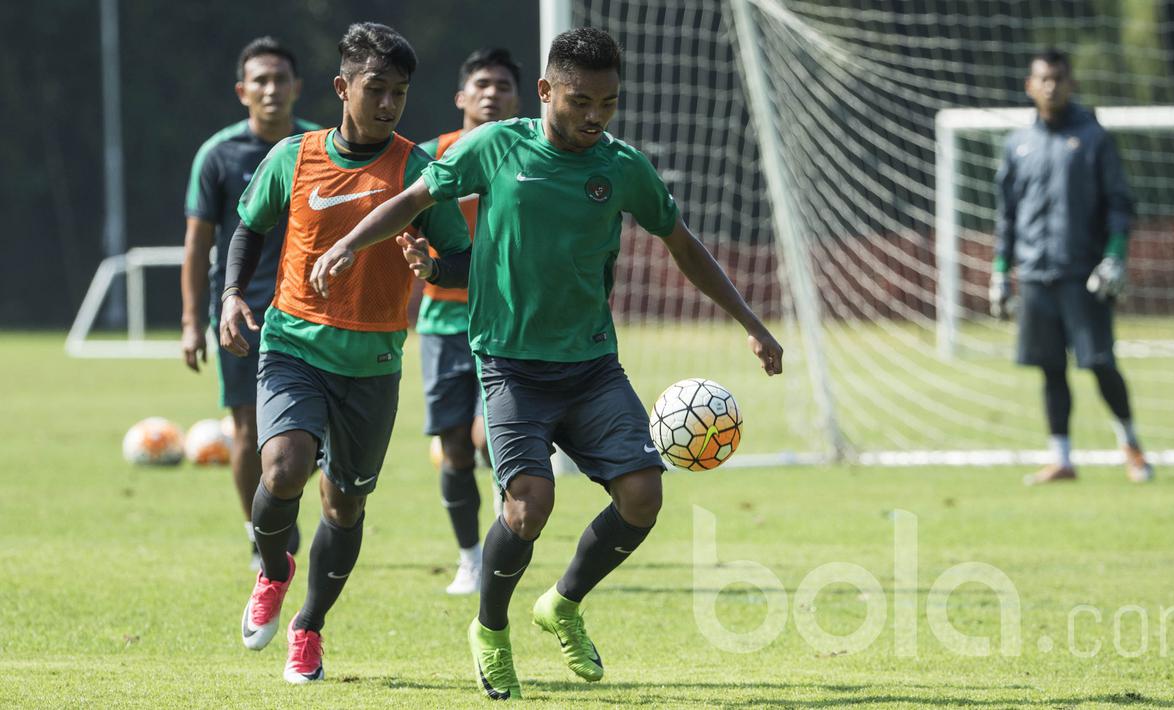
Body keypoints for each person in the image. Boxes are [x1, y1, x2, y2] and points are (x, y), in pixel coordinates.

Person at [311, 27, 783, 700]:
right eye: (579, 101)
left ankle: (562, 603)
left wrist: (751, 323)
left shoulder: (622, 167)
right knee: (530, 504)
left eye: (608, 104)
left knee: (644, 496)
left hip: (591, 366)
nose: (594, 117)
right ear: (544, 92)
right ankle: (491, 630)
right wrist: (351, 245)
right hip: (509, 367)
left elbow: (683, 245)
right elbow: (414, 199)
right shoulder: (496, 146)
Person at [219, 22, 471, 684]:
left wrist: (430, 263)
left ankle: (309, 626)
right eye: (375, 89)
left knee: (344, 506)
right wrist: (229, 296)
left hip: (373, 365)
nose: (388, 104)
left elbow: (461, 260)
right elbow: (249, 226)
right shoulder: (295, 157)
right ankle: (274, 571)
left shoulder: (419, 170)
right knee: (282, 468)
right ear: (342, 87)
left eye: (400, 93)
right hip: (292, 344)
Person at [181, 36, 319, 570]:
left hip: (312, 311)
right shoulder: (218, 155)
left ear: (297, 88)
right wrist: (194, 322)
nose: (271, 89)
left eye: (280, 79)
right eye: (260, 80)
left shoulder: (319, 146)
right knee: (246, 428)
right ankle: (260, 534)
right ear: (243, 91)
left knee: (320, 438)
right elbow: (198, 245)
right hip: (244, 312)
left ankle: (276, 504)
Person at [991, 48, 1154, 486]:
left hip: (1083, 273)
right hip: (1035, 274)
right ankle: (1061, 458)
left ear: (1070, 83)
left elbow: (1120, 205)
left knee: (1099, 363)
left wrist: (1115, 255)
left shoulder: (1094, 138)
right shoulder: (1018, 144)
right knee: (1050, 369)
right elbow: (1006, 214)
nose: (1051, 86)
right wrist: (1000, 270)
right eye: (1043, 78)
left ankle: (1132, 447)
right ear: (1029, 85)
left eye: (1058, 78)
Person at [417, 48, 521, 596]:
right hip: (441, 322)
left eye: (503, 85)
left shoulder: (528, 157)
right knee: (456, 445)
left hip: (505, 322)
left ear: (519, 97)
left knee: (491, 441)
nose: (491, 93)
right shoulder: (433, 155)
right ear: (461, 96)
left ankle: (508, 549)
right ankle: (470, 559)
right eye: (481, 83)